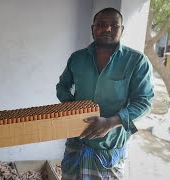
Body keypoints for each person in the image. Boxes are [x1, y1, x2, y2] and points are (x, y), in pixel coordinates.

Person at [56, 8, 154, 179]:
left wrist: (111, 122)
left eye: (114, 25)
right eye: (101, 24)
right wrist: (69, 106)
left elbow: (144, 103)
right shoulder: (77, 58)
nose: (107, 29)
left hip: (109, 148)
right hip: (76, 142)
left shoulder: (137, 61)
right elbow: (63, 86)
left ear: (122, 30)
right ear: (92, 29)